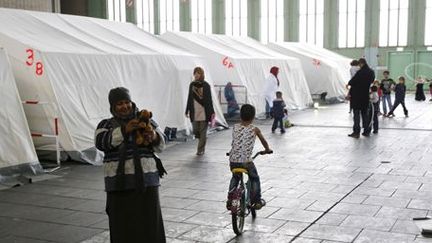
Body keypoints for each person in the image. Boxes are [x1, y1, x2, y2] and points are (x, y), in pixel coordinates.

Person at [95, 87, 167, 243]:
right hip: (119, 185)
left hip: (147, 184)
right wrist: (124, 130)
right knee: (123, 227)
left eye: (126, 102)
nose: (124, 106)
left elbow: (161, 145)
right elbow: (100, 142)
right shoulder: (106, 124)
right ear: (113, 106)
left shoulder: (147, 121)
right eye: (119, 103)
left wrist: (153, 136)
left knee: (151, 225)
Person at [226, 104, 272, 210]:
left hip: (233, 160)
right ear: (253, 116)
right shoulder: (255, 129)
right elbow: (264, 141)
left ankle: (230, 199)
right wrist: (267, 150)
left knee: (235, 177)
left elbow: (236, 142)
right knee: (254, 178)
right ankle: (256, 201)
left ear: (240, 116)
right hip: (246, 162)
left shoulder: (235, 127)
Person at [185, 67, 215, 155]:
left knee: (202, 131)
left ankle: (200, 150)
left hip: (204, 112)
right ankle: (203, 138)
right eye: (195, 73)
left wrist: (212, 112)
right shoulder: (192, 85)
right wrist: (187, 110)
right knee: (195, 130)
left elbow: (209, 100)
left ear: (202, 74)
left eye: (198, 73)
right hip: (194, 112)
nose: (196, 75)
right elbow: (189, 98)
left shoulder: (206, 85)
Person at [347, 58, 375, 138]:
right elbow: (372, 81)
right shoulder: (371, 72)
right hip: (365, 95)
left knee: (356, 114)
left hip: (356, 96)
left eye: (359, 64)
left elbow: (352, 82)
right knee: (365, 114)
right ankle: (366, 131)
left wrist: (350, 83)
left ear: (361, 64)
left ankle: (356, 132)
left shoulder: (360, 72)